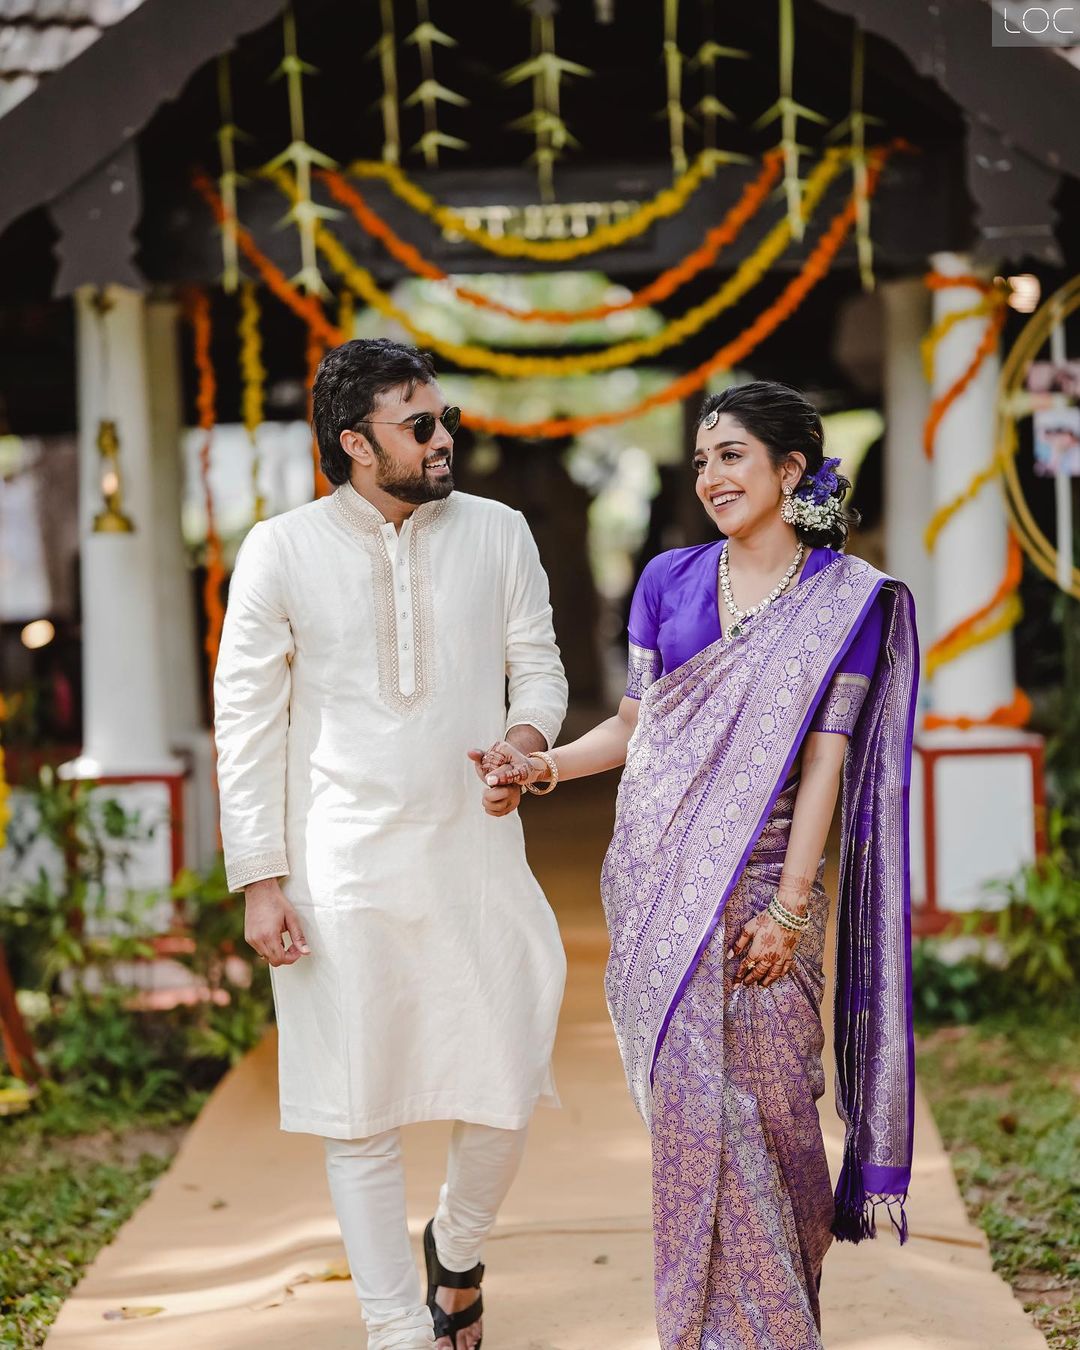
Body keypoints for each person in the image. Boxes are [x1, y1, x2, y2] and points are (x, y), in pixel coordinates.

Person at [480, 381, 918, 1349]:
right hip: (662, 888)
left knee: (782, 1136)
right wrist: (543, 764)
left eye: (732, 456)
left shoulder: (845, 601)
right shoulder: (669, 582)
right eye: (703, 458)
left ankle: (778, 1323)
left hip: (769, 894)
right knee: (696, 1131)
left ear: (791, 470)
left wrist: (794, 908)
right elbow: (636, 728)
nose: (711, 475)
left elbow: (825, 763)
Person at [214, 338, 568, 1350]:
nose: (444, 437)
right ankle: (392, 1329)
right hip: (341, 863)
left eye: (443, 418)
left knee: (506, 1076)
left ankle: (454, 1246)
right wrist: (261, 881)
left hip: (475, 851)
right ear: (355, 444)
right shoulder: (281, 550)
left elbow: (538, 671)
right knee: (358, 1107)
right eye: (420, 425)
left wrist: (524, 741)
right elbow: (246, 724)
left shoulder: (498, 533)